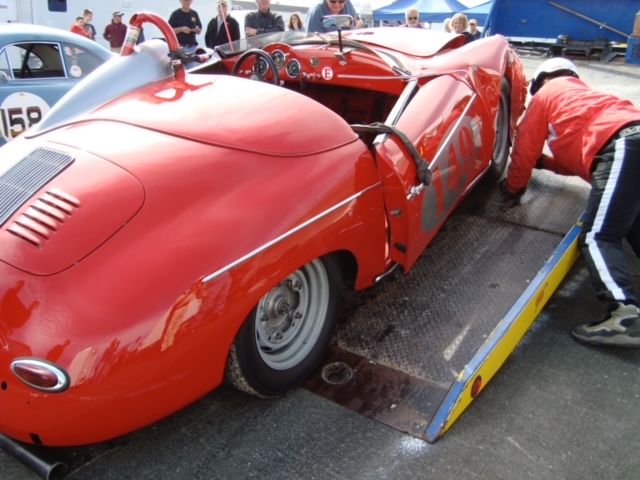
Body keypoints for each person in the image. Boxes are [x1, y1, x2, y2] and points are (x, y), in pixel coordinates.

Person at [501, 57, 640, 348]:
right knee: (630, 225)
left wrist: (513, 189)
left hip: (626, 145)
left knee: (598, 235)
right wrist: (545, 163)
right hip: (628, 142)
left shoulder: (547, 94)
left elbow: (525, 147)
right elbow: (584, 160)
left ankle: (625, 315)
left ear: (540, 82)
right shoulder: (583, 98)